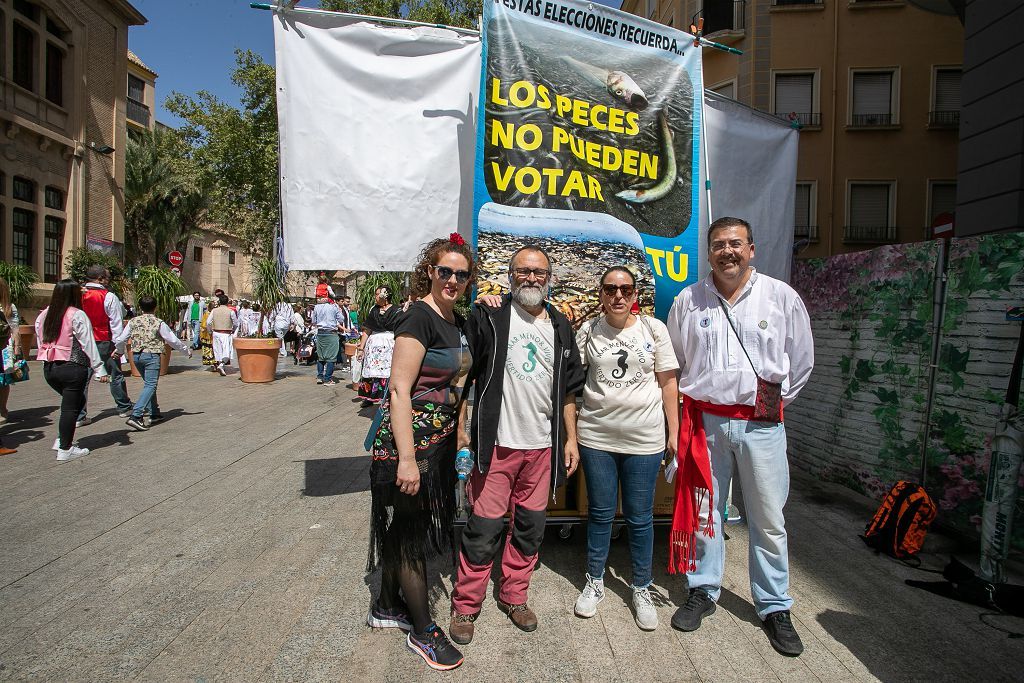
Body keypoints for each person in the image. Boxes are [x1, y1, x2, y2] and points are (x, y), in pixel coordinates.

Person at [665, 217, 814, 656]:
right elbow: (674, 362)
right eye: (717, 245)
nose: (726, 251)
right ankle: (703, 589)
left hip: (761, 425)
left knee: (768, 518)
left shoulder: (780, 297)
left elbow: (802, 362)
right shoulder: (689, 301)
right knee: (706, 511)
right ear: (707, 252)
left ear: (752, 248)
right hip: (704, 423)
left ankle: (773, 605)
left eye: (735, 244)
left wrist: (773, 402)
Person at [448, 245, 585, 644]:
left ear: (550, 278)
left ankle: (514, 595)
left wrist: (571, 439)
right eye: (522, 271)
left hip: (542, 448)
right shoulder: (489, 316)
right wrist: (462, 435)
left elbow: (569, 391)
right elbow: (463, 376)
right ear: (509, 277)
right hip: (497, 446)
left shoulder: (561, 324)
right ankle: (466, 604)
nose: (530, 278)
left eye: (538, 272)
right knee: (483, 529)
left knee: (529, 528)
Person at [366, 234, 474, 671]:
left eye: (461, 274)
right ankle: (423, 631)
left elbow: (458, 384)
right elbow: (398, 389)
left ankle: (387, 605)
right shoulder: (419, 319)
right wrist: (407, 459)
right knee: (410, 535)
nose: (452, 279)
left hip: (442, 440)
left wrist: (461, 431)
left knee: (408, 529)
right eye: (444, 271)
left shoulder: (456, 319)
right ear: (429, 271)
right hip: (409, 444)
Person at [572, 266, 679, 631]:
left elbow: (668, 384)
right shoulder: (588, 331)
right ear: (600, 293)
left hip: (644, 438)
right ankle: (595, 580)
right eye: (610, 288)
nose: (618, 295)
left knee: (640, 516)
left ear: (636, 295)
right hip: (597, 437)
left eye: (626, 289)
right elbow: (571, 382)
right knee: (601, 513)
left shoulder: (654, 329)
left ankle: (641, 586)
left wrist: (673, 433)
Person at [35, 279, 110, 461]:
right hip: (72, 367)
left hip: (50, 368)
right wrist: (100, 369)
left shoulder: (44, 314)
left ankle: (62, 439)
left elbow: (40, 338)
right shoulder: (76, 314)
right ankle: (65, 448)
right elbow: (88, 343)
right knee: (70, 407)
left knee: (75, 402)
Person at [113, 296, 192, 431]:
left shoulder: (133, 321)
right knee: (150, 384)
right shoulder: (158, 322)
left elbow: (121, 339)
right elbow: (171, 339)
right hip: (151, 355)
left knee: (149, 384)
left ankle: (154, 412)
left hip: (136, 355)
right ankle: (136, 416)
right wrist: (186, 351)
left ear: (140, 307)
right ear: (155, 307)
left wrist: (119, 351)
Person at [77, 265, 133, 426]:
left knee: (82, 379)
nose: (109, 280)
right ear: (100, 278)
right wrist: (119, 346)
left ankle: (79, 415)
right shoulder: (107, 296)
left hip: (81, 341)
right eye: (107, 277)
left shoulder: (78, 295)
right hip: (103, 340)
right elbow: (116, 323)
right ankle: (123, 407)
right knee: (115, 374)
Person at [357, 287, 402, 405]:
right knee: (372, 372)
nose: (375, 297)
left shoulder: (397, 310)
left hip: (389, 346)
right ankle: (370, 397)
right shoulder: (374, 310)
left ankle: (389, 398)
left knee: (388, 372)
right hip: (374, 348)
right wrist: (361, 348)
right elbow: (367, 329)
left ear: (384, 296)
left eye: (377, 294)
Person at [311, 296, 345, 385]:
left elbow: (313, 321)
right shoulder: (334, 307)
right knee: (331, 357)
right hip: (331, 333)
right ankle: (327, 379)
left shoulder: (316, 307)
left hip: (320, 333)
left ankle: (319, 376)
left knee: (321, 356)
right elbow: (341, 319)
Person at [0, 278, 21, 426]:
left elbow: (15, 328)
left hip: (3, 349)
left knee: (3, 381)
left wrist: (17, 348)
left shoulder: (8, 307)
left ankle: (2, 409)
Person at [204, 294, 237, 376]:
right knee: (227, 351)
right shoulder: (231, 311)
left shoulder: (214, 311)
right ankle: (222, 365)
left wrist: (210, 331)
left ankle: (220, 365)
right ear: (227, 302)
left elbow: (208, 322)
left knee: (218, 351)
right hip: (226, 333)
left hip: (216, 332)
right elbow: (236, 323)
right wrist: (233, 330)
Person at [199, 301, 217, 371]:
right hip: (210, 335)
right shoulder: (208, 314)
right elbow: (204, 325)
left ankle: (213, 364)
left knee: (210, 350)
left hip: (208, 335)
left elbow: (203, 325)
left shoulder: (207, 314)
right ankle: (214, 364)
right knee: (213, 350)